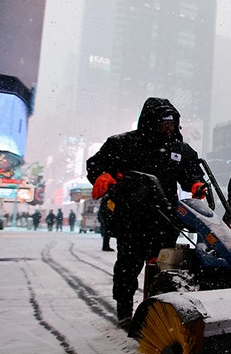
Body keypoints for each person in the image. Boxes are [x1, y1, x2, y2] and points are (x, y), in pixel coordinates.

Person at [87, 97, 207, 330]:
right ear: (150, 122)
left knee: (163, 268)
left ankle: (156, 309)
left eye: (172, 123)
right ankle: (124, 309)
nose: (169, 127)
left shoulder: (179, 150)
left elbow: (192, 173)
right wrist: (102, 174)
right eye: (164, 123)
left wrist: (196, 183)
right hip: (132, 218)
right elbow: (97, 163)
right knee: (128, 266)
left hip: (165, 219)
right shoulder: (122, 144)